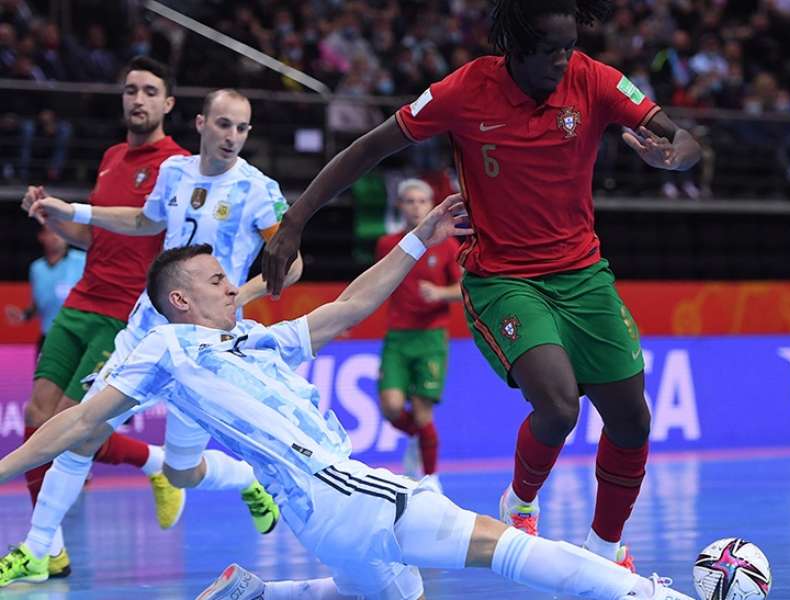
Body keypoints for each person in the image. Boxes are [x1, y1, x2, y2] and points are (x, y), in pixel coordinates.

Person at [0, 198, 694, 600]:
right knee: (510, 550)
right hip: (343, 489)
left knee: (406, 593)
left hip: (320, 517)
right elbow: (77, 423)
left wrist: (419, 240)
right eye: (217, 279)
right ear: (181, 300)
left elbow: (349, 304)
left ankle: (262, 593)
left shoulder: (256, 339)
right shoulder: (166, 350)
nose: (230, 284)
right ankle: (655, 597)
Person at [262, 0, 702, 570]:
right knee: (559, 405)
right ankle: (519, 501)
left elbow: (684, 138)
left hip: (584, 275)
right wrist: (294, 222)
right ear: (515, 50)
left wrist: (676, 159)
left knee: (633, 420)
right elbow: (370, 147)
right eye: (551, 51)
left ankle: (602, 550)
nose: (564, 60)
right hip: (504, 280)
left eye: (570, 46)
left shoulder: (592, 79)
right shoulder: (465, 91)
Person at [0, 88, 303, 587]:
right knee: (83, 432)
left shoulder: (258, 189)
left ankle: (247, 479)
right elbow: (144, 221)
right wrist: (73, 211)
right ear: (202, 124)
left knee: (184, 470)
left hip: (203, 347)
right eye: (224, 125)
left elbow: (290, 265)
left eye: (242, 128)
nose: (233, 137)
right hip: (145, 331)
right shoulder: (175, 172)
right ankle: (37, 549)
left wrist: (237, 296)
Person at [12, 55, 190, 579]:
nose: (138, 99)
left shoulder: (175, 164)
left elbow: (145, 227)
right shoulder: (112, 156)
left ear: (168, 103)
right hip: (80, 302)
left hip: (125, 315)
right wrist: (54, 216)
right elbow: (94, 236)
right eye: (131, 89)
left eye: (150, 91)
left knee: (71, 427)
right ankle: (52, 549)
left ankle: (157, 466)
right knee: (34, 421)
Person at [376, 178, 461, 488]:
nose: (415, 206)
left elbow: (465, 289)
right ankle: (418, 439)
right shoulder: (387, 245)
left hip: (431, 338)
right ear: (400, 206)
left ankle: (430, 477)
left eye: (421, 201)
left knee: (423, 411)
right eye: (409, 201)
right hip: (398, 337)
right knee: (392, 407)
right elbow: (377, 285)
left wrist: (439, 293)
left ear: (431, 206)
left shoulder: (448, 246)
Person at [5, 225, 85, 350]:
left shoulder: (83, 260)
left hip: (77, 335)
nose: (55, 237)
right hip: (48, 336)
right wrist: (23, 315)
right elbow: (38, 305)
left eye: (60, 232)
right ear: (41, 237)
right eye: (51, 232)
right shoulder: (36, 268)